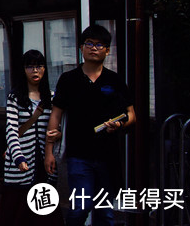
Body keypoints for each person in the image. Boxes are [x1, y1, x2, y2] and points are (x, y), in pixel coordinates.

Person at [45, 25, 135, 226]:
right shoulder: (68, 79)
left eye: (100, 44)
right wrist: (49, 152)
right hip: (79, 156)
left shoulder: (114, 80)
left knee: (105, 213)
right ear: (81, 47)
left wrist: (119, 125)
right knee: (81, 207)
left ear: (107, 50)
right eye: (89, 43)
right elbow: (55, 115)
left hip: (108, 156)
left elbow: (131, 115)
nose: (94, 48)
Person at [0, 50, 62, 226]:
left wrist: (59, 134)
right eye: (30, 66)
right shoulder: (15, 97)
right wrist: (18, 157)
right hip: (20, 165)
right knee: (17, 212)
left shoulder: (52, 97)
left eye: (39, 66)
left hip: (43, 162)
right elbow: (11, 129)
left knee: (45, 210)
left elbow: (57, 126)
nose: (35, 71)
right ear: (23, 70)